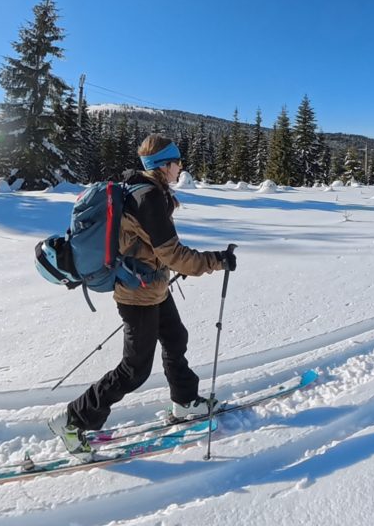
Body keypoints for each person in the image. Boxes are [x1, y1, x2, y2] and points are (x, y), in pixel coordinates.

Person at [49, 134, 237, 453]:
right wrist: (216, 260)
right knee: (134, 370)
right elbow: (173, 254)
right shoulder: (148, 197)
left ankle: (185, 401)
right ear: (164, 165)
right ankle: (72, 420)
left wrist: (164, 265)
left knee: (175, 338)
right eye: (177, 162)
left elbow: (151, 247)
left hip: (152, 286)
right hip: (137, 294)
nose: (181, 167)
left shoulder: (144, 189)